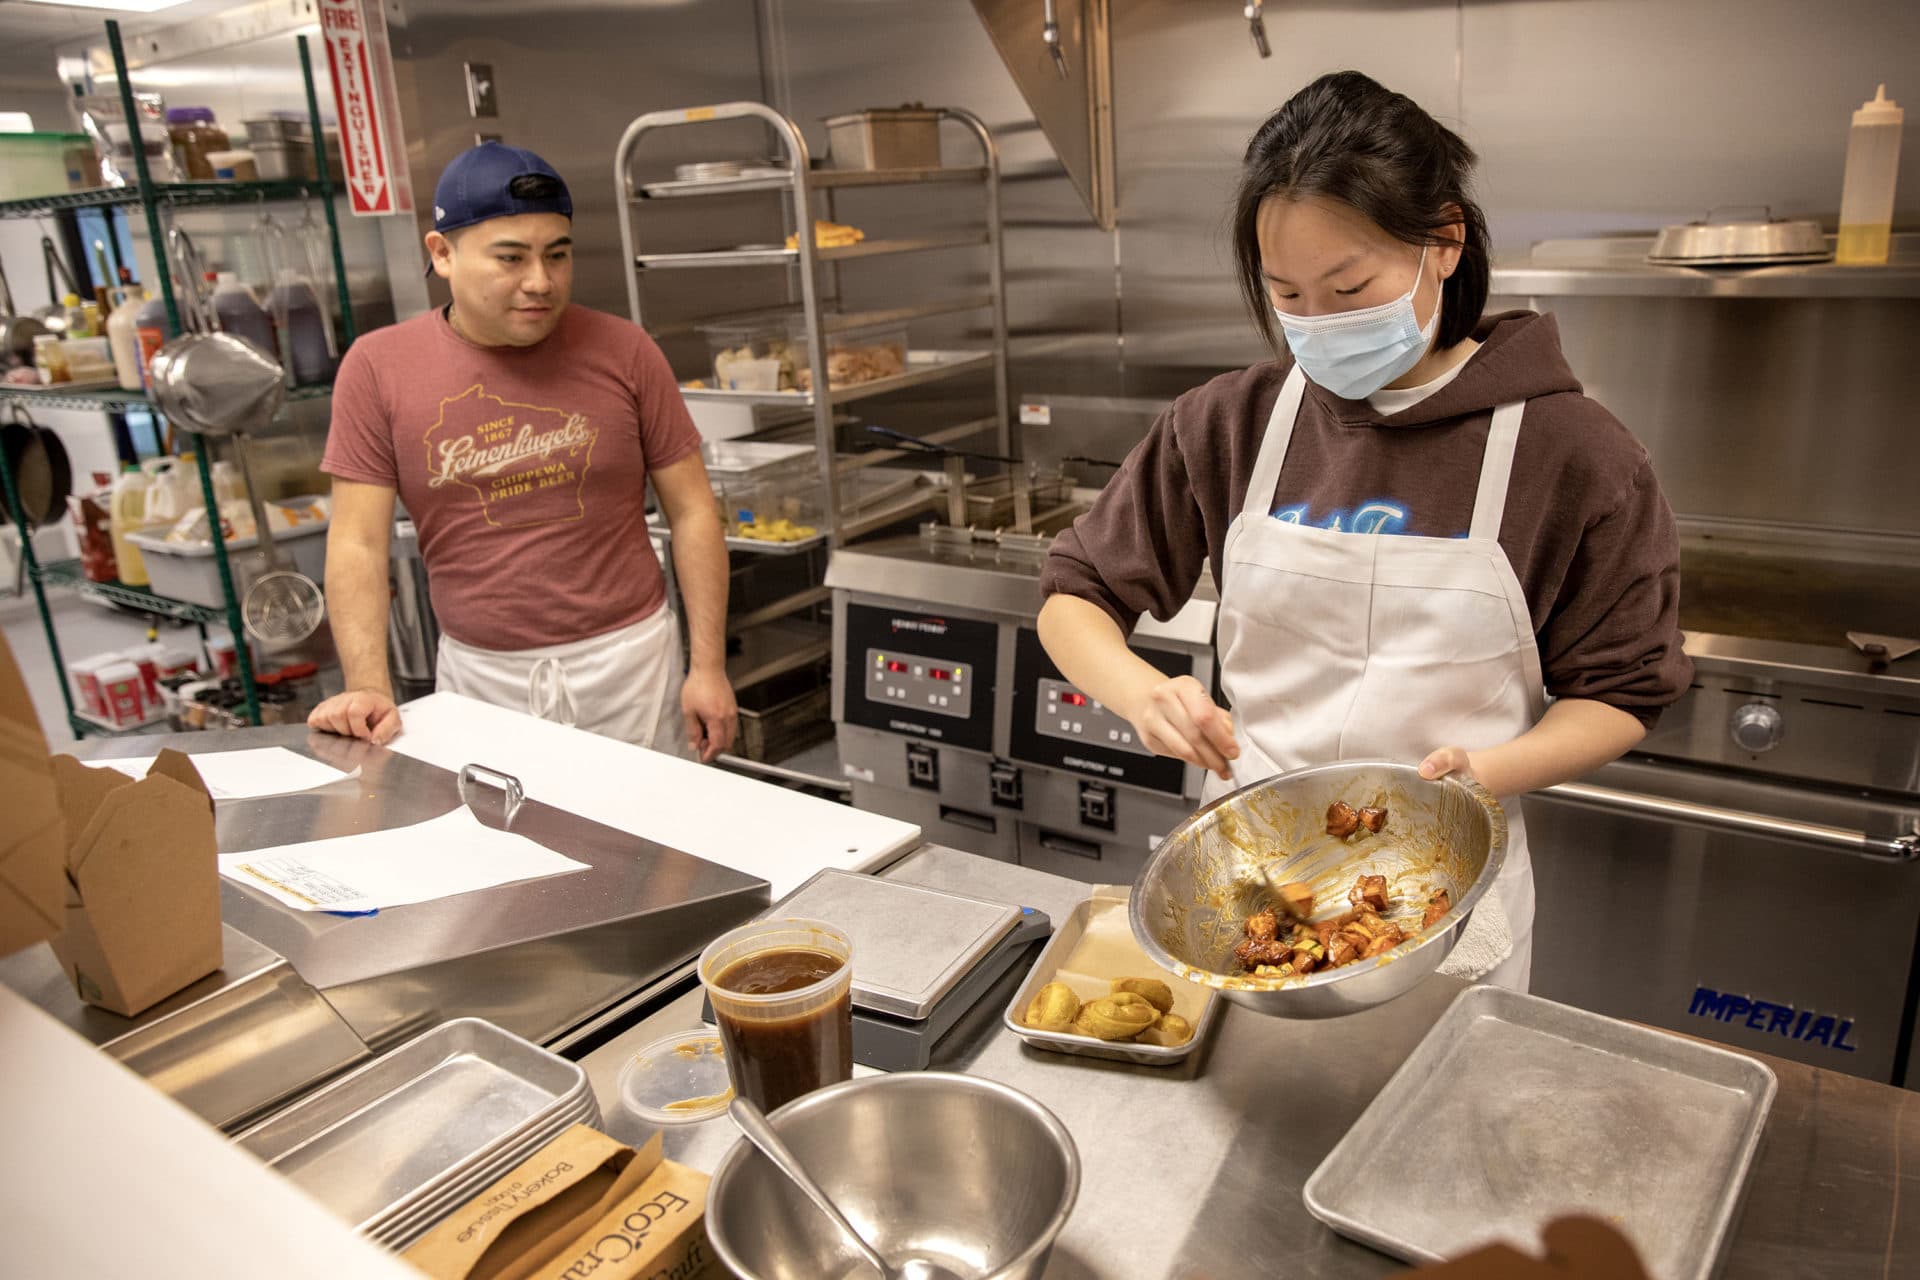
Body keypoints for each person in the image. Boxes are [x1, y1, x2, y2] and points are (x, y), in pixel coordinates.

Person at [1036, 72, 1691, 990]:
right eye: (1289, 297)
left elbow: (1622, 692)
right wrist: (1143, 693)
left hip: (1446, 911)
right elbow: (1074, 598)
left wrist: (1488, 770)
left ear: (1446, 243)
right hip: (1250, 893)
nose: (1318, 324)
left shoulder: (1573, 453)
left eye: (1350, 287)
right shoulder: (1229, 422)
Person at [309, 142, 736, 758]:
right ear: (442, 253)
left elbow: (693, 510)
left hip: (632, 665)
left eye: (556, 256)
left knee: (654, 848)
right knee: (504, 850)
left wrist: (710, 666)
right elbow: (358, 541)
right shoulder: (379, 368)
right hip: (482, 677)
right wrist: (369, 685)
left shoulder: (625, 350)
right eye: (510, 259)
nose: (540, 282)